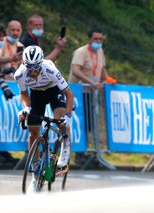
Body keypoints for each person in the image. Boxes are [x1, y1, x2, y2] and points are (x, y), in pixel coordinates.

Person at [14, 45, 74, 192]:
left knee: (59, 118)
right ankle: (35, 175)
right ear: (24, 64)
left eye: (36, 66)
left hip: (54, 91)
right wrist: (26, 108)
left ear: (41, 62)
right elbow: (24, 94)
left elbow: (69, 94)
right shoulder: (20, 74)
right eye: (29, 67)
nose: (33, 70)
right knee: (33, 132)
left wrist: (68, 115)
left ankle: (65, 146)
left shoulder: (50, 69)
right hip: (37, 95)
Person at [68, 28, 116, 166]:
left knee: (90, 124)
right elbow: (76, 70)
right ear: (89, 39)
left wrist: (108, 80)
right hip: (79, 93)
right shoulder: (80, 52)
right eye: (95, 39)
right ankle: (79, 154)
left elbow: (101, 70)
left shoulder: (100, 52)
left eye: (100, 39)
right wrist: (91, 82)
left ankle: (90, 152)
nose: (98, 42)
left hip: (92, 94)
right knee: (80, 123)